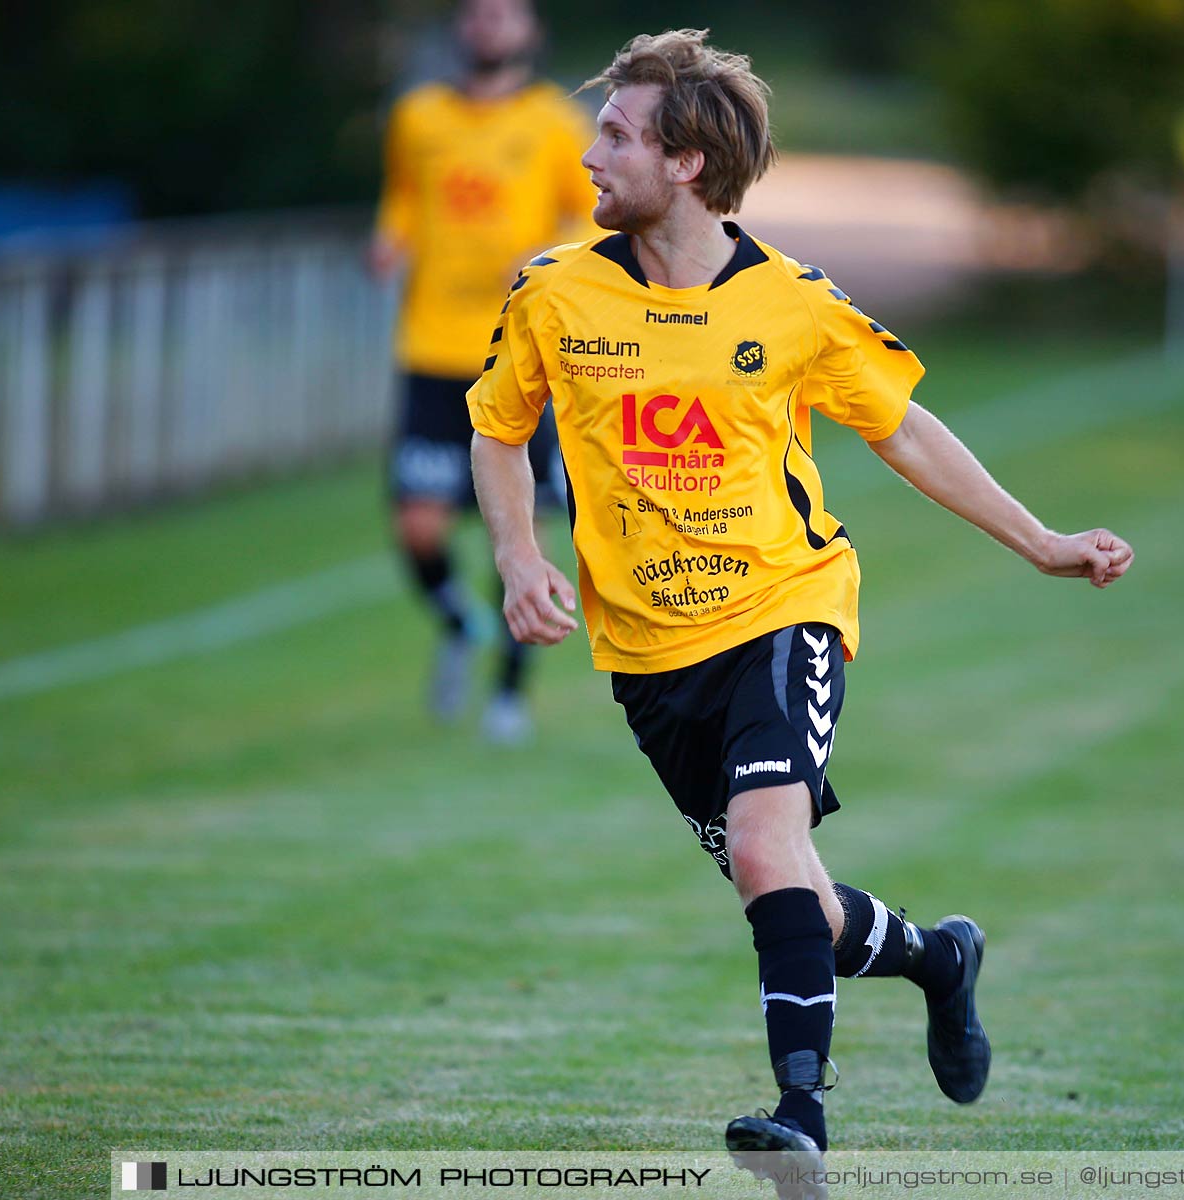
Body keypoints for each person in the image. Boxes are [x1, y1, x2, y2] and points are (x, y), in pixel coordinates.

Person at [467, 27, 1134, 1178]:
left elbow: (905, 429)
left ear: (686, 164)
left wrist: (1040, 541)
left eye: (617, 135)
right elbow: (496, 423)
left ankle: (802, 1118)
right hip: (645, 656)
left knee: (770, 851)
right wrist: (521, 558)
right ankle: (935, 959)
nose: (590, 157)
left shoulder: (794, 305)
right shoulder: (553, 292)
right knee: (792, 895)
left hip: (786, 606)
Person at [371, 0, 597, 743]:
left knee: (519, 533)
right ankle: (461, 625)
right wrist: (389, 238)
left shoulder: (554, 124)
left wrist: (544, 253)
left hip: (516, 354)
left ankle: (508, 694)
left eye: (505, 14)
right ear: (460, 28)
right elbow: (404, 197)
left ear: (530, 30)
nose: (489, 25)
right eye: (477, 13)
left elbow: (589, 212)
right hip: (431, 348)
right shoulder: (419, 117)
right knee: (418, 525)